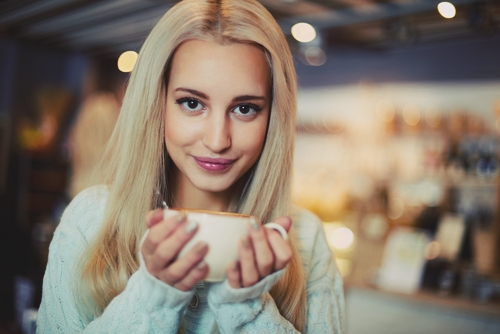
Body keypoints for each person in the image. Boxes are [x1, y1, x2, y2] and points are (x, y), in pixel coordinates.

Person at [36, 0, 345, 333]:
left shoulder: (306, 239)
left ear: (273, 118)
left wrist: (248, 311)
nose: (217, 140)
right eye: (192, 103)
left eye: (244, 109)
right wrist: (153, 300)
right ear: (158, 103)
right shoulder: (90, 220)